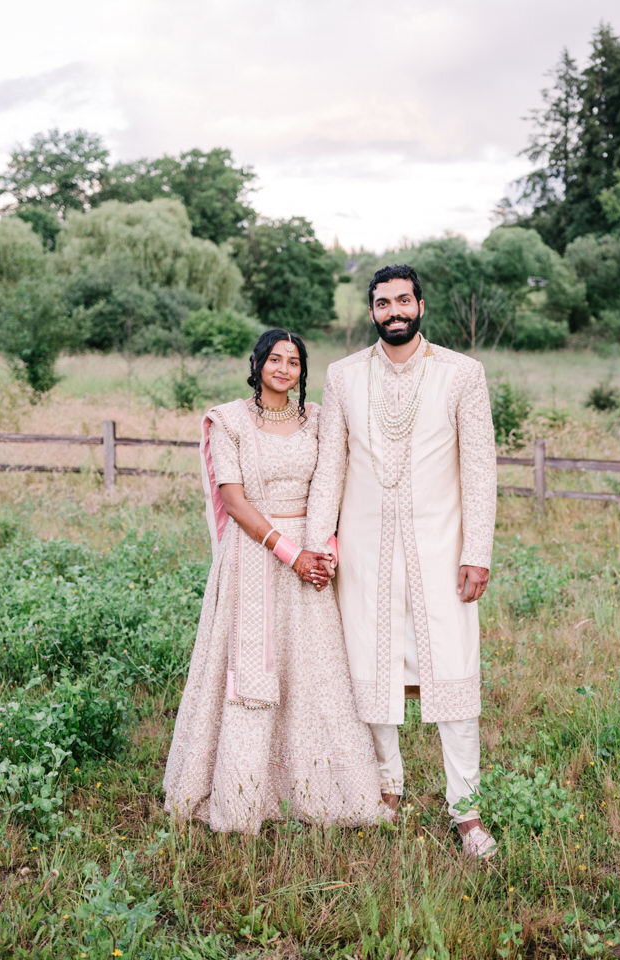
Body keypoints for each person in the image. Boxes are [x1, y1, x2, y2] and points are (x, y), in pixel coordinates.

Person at [305, 264, 499, 859]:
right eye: (383, 302)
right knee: (372, 669)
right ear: (371, 312)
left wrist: (477, 552)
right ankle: (386, 789)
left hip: (441, 550)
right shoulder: (342, 377)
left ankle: (465, 811)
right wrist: (316, 544)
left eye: (403, 300)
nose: (394, 311)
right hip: (364, 552)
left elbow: (481, 468)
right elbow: (331, 466)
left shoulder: (462, 374)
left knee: (453, 673)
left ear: (420, 306)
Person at [163, 329, 381, 833]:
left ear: (303, 371)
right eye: (275, 358)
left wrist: (324, 552)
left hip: (313, 552)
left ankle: (322, 794)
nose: (284, 368)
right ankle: (243, 795)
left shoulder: (320, 419)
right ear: (258, 362)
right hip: (256, 554)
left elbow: (337, 483)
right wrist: (291, 553)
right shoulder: (230, 420)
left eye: (295, 361)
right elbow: (235, 501)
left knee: (315, 669)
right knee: (251, 670)